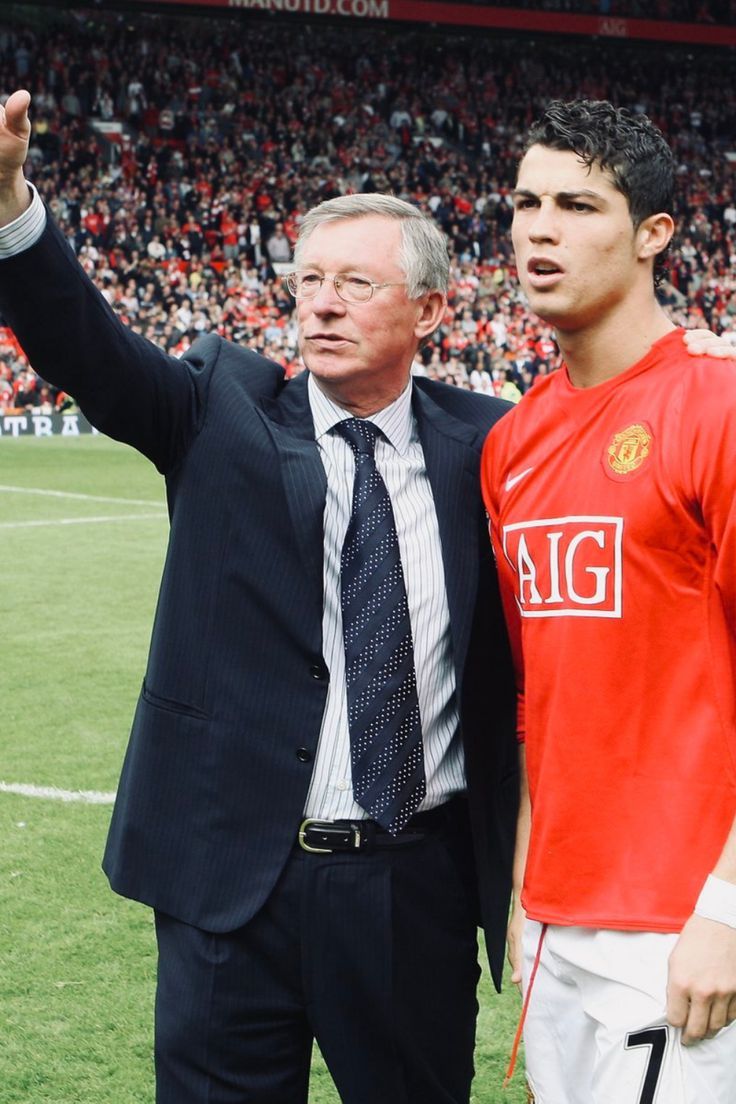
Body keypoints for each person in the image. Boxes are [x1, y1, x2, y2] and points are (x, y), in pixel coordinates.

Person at [0, 90, 519, 1104]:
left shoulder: (494, 446)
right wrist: (9, 202)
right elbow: (85, 348)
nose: (319, 303)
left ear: (431, 310)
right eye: (308, 280)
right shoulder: (220, 410)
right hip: (231, 882)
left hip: (410, 885)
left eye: (355, 284)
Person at [481, 99, 736, 1103]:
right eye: (525, 203)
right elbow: (541, 690)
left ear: (651, 236)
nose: (539, 228)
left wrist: (728, 908)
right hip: (555, 919)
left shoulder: (716, 405)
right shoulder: (512, 444)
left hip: (684, 923)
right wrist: (522, 887)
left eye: (578, 206)